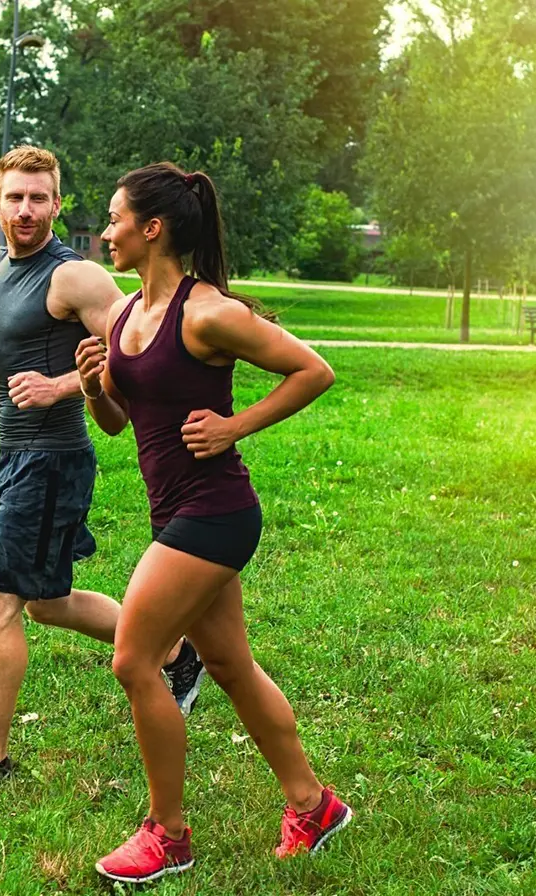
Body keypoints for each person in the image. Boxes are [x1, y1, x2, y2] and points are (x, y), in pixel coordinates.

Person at [75, 162, 353, 882]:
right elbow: (117, 422)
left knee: (135, 660)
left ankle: (167, 834)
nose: (107, 232)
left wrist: (235, 427)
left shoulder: (209, 312)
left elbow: (313, 371)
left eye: (115, 219)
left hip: (216, 513)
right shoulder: (124, 314)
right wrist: (89, 386)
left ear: (153, 228)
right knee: (228, 665)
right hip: (177, 512)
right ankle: (313, 804)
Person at [0, 147, 205, 787]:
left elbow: (132, 358)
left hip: (53, 460)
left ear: (56, 203)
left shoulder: (75, 277)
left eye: (39, 198)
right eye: (14, 198)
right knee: (46, 604)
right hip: (15, 455)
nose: (25, 210)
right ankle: (178, 653)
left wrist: (57, 387)